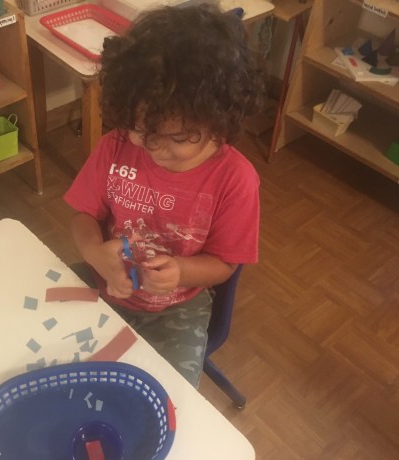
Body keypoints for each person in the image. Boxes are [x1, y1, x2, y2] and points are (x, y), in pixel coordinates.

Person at [63, 4, 265, 387]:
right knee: (44, 359)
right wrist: (94, 254)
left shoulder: (236, 180)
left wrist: (181, 272)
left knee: (167, 397)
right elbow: (83, 216)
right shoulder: (115, 147)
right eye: (141, 129)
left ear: (220, 123)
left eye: (176, 137)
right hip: (101, 283)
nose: (152, 146)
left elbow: (224, 264)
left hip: (176, 308)